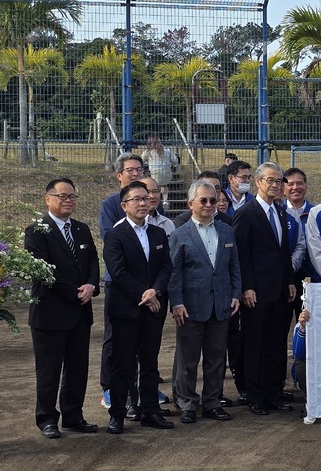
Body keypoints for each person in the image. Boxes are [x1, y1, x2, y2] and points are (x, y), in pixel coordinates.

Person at [24, 178, 101, 439]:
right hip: (51, 311)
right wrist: (74, 292)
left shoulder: (81, 229)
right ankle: (46, 418)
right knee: (49, 369)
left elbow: (92, 260)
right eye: (62, 196)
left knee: (77, 367)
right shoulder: (36, 230)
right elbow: (42, 271)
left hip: (80, 311)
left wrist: (91, 285)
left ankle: (73, 415)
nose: (68, 200)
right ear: (48, 199)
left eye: (72, 197)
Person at [102, 181, 173, 433]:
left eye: (146, 198)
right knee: (123, 365)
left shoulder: (158, 233)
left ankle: (151, 411)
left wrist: (156, 291)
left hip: (153, 310)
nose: (143, 203)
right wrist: (145, 293)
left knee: (150, 362)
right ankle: (118, 414)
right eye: (136, 199)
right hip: (126, 310)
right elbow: (118, 273)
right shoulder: (115, 234)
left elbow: (166, 267)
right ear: (124, 205)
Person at [168, 180, 241, 424]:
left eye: (213, 200)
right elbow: (174, 273)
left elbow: (234, 268)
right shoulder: (180, 235)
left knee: (216, 358)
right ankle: (187, 403)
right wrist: (176, 302)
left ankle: (212, 402)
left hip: (220, 305)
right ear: (191, 204)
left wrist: (235, 294)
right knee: (188, 360)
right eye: (204, 200)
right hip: (190, 307)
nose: (210, 205)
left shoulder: (226, 231)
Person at [233, 162, 298, 415]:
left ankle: (273, 392)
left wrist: (290, 281)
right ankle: (255, 395)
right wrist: (247, 287)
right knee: (255, 344)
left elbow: (283, 252)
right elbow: (241, 254)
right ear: (258, 182)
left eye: (279, 181)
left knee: (276, 343)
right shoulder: (247, 213)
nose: (275, 185)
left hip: (280, 291)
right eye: (270, 180)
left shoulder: (281, 212)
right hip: (256, 291)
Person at [97, 154, 146, 410]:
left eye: (139, 169)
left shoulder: (149, 202)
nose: (135, 173)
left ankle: (140, 389)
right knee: (114, 337)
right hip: (118, 280)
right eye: (130, 170)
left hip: (145, 284)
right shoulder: (110, 204)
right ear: (119, 175)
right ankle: (109, 388)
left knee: (142, 339)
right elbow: (109, 238)